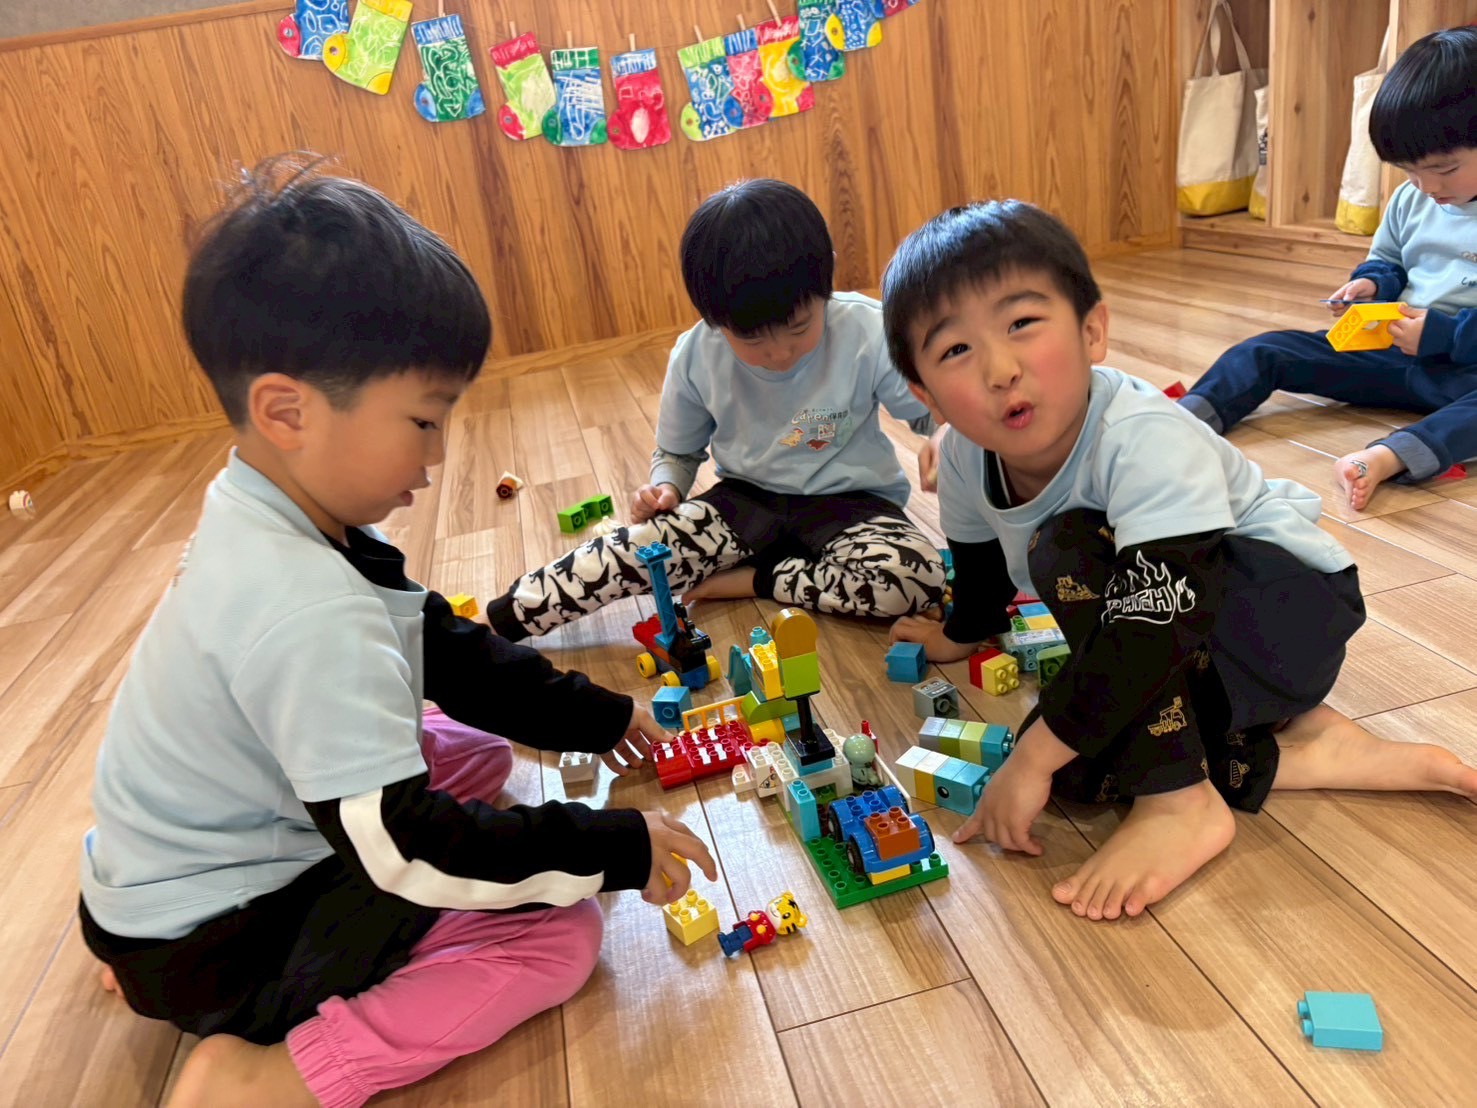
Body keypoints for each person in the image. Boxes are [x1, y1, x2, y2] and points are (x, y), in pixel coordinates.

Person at [78, 154, 716, 1108]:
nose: (438, 453)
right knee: (558, 935)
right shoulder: (307, 610)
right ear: (286, 411)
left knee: (471, 750)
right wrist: (609, 850)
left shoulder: (272, 510)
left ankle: (155, 958)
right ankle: (265, 1075)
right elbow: (406, 849)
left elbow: (441, 649)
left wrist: (595, 716)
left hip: (157, 893)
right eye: (422, 421)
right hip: (227, 942)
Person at [883, 199, 1477, 922]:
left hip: (1287, 612)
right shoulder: (962, 454)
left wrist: (1035, 755)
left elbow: (1152, 622)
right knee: (1079, 776)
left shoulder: (1140, 435)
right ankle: (1307, 749)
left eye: (1022, 324)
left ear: (1092, 331)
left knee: (1064, 560)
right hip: (1205, 642)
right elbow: (977, 567)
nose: (1000, 369)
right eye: (955, 351)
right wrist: (959, 636)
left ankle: (1180, 802)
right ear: (924, 394)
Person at [485, 179, 947, 643]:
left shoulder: (867, 329)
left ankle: (758, 578)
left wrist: (944, 436)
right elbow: (678, 453)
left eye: (798, 327)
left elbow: (931, 412)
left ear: (824, 280)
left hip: (852, 504)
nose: (779, 353)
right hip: (744, 504)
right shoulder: (695, 354)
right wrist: (665, 488)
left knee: (916, 576)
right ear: (712, 317)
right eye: (751, 338)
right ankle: (498, 621)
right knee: (621, 554)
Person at [1179, 26, 1477, 511]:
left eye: (1444, 169)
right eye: (1408, 171)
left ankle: (1389, 456)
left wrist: (1442, 336)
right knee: (1267, 349)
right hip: (1392, 351)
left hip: (1465, 373)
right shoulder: (1411, 199)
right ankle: (1182, 421)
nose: (1426, 186)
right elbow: (1389, 261)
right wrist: (1371, 284)